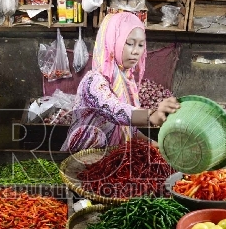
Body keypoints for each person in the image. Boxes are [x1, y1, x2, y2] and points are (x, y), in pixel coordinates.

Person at [62, 12, 180, 152]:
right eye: (130, 43)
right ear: (112, 42)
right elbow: (114, 111)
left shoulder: (127, 82)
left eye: (141, 45)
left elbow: (128, 130)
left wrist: (154, 145)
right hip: (81, 161)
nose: (136, 51)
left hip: (110, 159)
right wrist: (151, 116)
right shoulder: (93, 81)